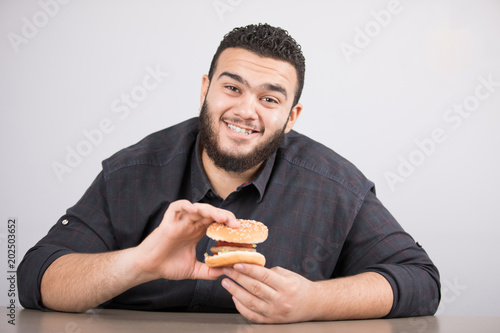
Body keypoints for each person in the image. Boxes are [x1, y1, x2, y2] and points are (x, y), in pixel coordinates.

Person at [18, 23, 440, 324]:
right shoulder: (132, 172)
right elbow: (36, 279)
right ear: (205, 89)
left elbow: (421, 281)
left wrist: (314, 301)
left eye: (269, 98)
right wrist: (140, 263)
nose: (245, 111)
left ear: (291, 116)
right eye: (232, 88)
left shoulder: (335, 186)